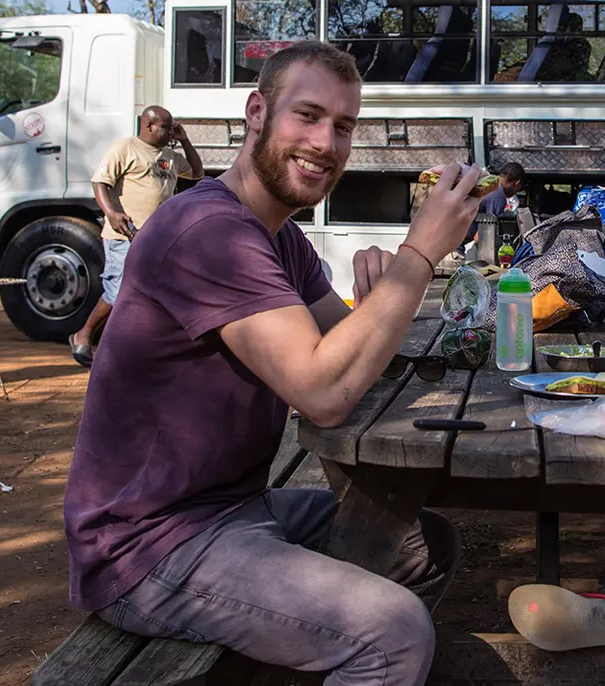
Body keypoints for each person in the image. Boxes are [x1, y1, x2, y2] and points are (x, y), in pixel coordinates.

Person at [63, 41, 482, 685]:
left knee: (421, 546)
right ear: (257, 111)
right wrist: (419, 255)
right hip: (148, 544)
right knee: (394, 634)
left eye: (343, 127)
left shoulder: (280, 236)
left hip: (232, 507)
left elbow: (346, 354)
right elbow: (324, 389)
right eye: (307, 115)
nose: (326, 142)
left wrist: (380, 301)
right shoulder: (208, 231)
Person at [68, 105, 203, 367]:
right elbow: (100, 182)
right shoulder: (126, 147)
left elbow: (197, 173)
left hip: (156, 237)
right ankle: (83, 334)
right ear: (149, 125)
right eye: (167, 127)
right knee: (119, 291)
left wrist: (184, 139)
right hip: (124, 234)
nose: (170, 132)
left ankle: (134, 348)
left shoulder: (170, 155)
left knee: (150, 293)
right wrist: (111, 214)